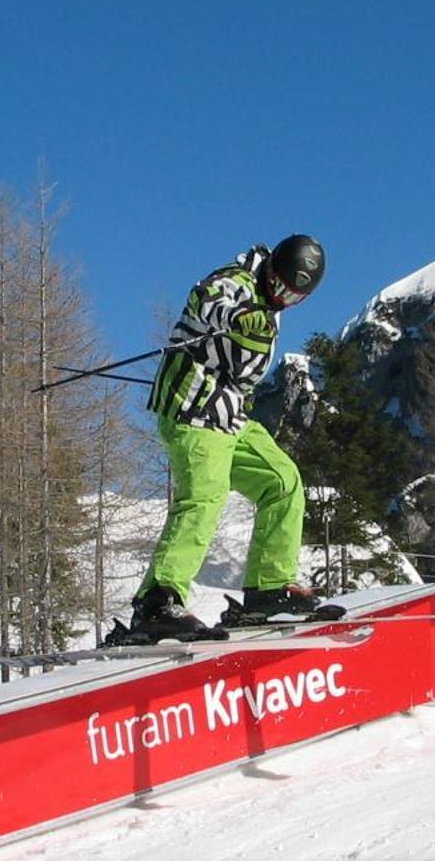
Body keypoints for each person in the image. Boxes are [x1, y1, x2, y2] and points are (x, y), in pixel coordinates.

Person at [126, 234, 334, 642]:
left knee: (282, 481)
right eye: (279, 289)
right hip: (193, 409)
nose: (282, 300)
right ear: (270, 270)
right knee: (206, 493)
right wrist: (236, 316)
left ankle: (268, 588)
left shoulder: (272, 303)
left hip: (229, 418)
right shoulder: (237, 281)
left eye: (294, 298)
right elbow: (205, 299)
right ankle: (157, 601)